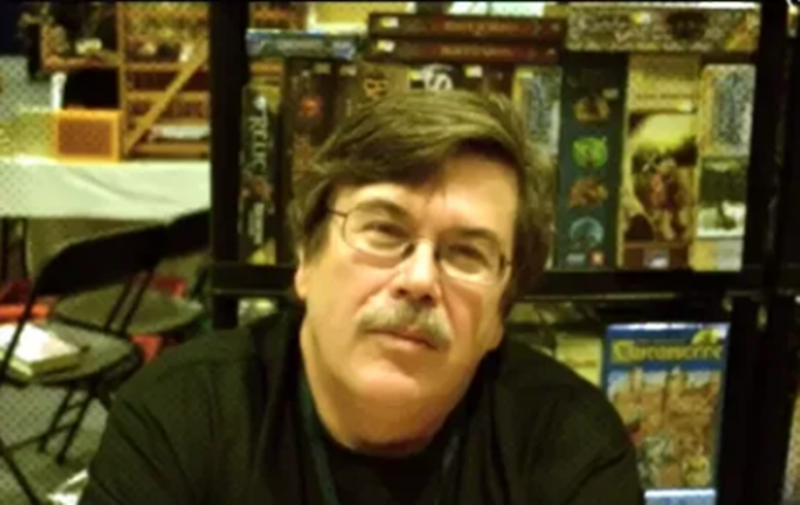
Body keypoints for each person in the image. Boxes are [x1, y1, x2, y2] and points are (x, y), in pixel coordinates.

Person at [79, 90, 644, 505]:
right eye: (384, 231)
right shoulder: (181, 415)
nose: (419, 279)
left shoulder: (569, 442)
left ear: (500, 314)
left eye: (467, 253)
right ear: (307, 259)